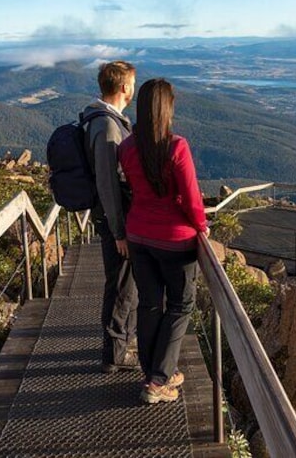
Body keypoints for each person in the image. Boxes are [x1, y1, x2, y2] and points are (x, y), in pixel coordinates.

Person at [118, 78, 209, 404]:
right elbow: (191, 198)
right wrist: (201, 225)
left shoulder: (127, 147)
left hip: (139, 237)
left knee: (150, 304)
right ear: (166, 108)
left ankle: (157, 373)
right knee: (181, 305)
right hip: (175, 242)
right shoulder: (176, 147)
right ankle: (158, 381)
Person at [84, 61, 139, 373]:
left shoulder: (106, 120)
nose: (133, 88)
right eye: (132, 83)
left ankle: (120, 345)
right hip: (115, 222)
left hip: (115, 219)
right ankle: (115, 354)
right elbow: (107, 181)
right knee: (120, 286)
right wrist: (119, 231)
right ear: (123, 88)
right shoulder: (106, 127)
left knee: (124, 284)